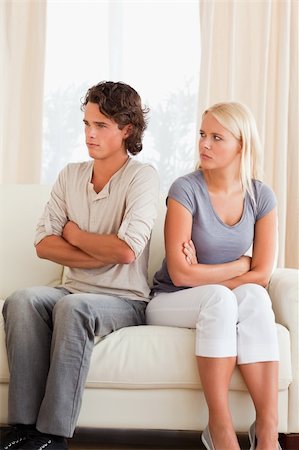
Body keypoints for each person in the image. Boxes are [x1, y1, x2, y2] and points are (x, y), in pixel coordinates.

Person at [1, 81, 159, 450]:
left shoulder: (142, 177)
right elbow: (43, 244)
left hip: (125, 299)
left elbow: (125, 252)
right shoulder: (70, 175)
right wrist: (96, 252)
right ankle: (23, 429)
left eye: (101, 125)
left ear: (127, 129)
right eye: (87, 123)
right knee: (21, 300)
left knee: (72, 307)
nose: (89, 133)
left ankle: (53, 435)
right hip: (73, 289)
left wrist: (72, 234)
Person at [146, 102, 281, 450]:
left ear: (241, 145)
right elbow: (179, 272)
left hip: (214, 295)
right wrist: (238, 266)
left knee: (254, 297)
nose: (204, 144)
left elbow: (263, 274)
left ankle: (267, 430)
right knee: (225, 296)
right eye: (203, 134)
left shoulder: (261, 196)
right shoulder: (185, 190)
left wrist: (203, 272)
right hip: (170, 299)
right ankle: (219, 428)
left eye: (217, 137)